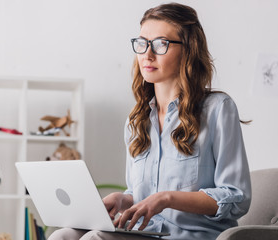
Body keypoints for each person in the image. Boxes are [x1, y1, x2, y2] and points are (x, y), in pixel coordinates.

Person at [48, 2, 251, 240]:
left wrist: (167, 198)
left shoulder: (217, 109)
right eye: (142, 43)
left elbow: (236, 197)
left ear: (189, 49)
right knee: (62, 236)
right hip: (146, 232)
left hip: (192, 235)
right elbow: (139, 193)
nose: (147, 54)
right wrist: (125, 199)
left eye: (161, 44)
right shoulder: (136, 121)